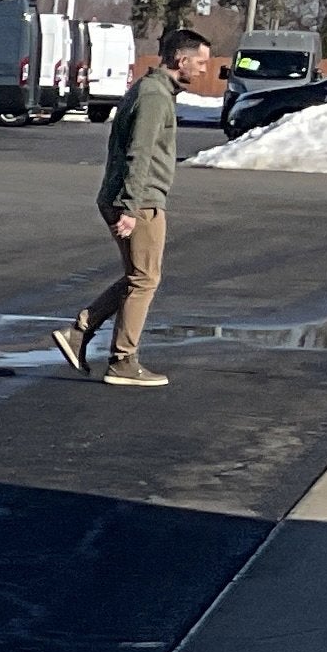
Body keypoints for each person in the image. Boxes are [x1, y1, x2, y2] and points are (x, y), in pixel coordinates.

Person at [60, 26, 222, 386]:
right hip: (140, 200)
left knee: (139, 276)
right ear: (181, 60)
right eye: (200, 62)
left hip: (135, 197)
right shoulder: (153, 96)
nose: (203, 70)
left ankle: (80, 331)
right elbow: (140, 153)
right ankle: (122, 361)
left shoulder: (156, 91)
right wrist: (131, 208)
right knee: (145, 279)